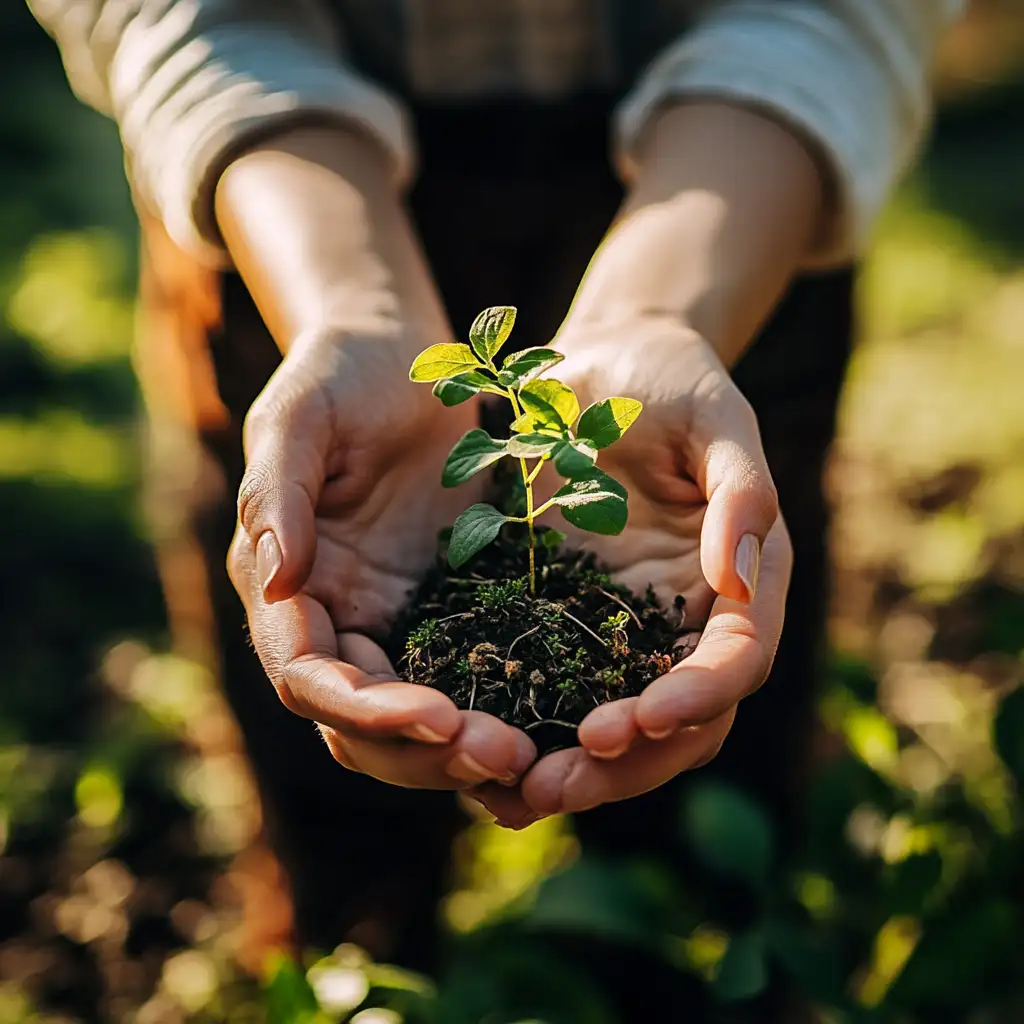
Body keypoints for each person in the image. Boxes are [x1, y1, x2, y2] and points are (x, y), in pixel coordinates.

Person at [30, 0, 960, 1015]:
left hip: (740, 196)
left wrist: (654, 316)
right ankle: (358, 958)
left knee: (717, 707)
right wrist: (348, 310)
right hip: (283, 203)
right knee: (331, 767)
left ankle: (695, 953)